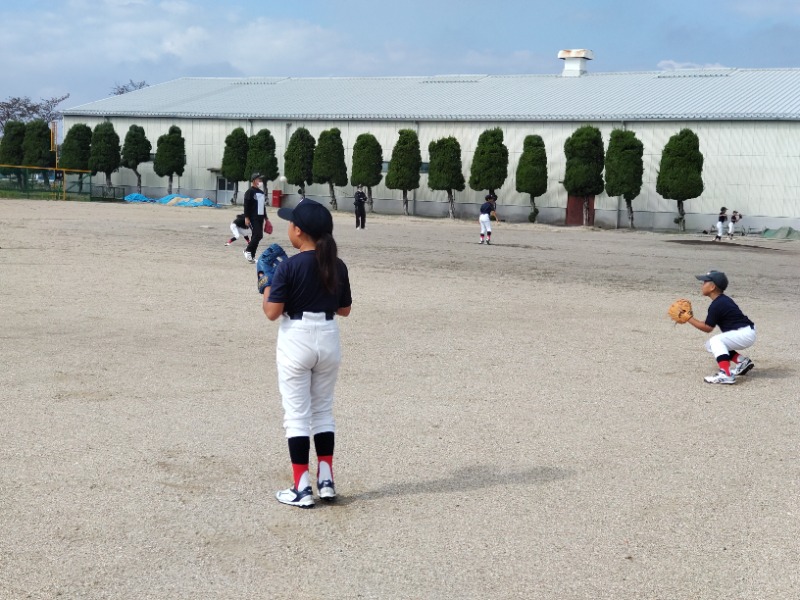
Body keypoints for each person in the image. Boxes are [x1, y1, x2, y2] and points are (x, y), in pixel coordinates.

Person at [262, 199, 352, 508]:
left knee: (297, 417)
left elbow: (272, 312)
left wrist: (266, 284)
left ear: (298, 232)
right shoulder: (336, 264)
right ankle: (325, 481)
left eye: (291, 224)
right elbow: (345, 309)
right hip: (328, 337)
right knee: (323, 412)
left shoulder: (289, 266)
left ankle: (301, 487)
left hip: (296, 338)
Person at [684, 270, 756, 384]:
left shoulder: (718, 304)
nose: (702, 285)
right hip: (746, 332)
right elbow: (708, 324)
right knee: (710, 345)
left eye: (705, 282)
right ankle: (742, 362)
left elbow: (707, 328)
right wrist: (689, 318)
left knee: (715, 341)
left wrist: (688, 318)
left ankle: (726, 373)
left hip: (744, 334)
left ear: (712, 286)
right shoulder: (721, 301)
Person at [242, 173, 271, 263]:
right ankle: (247, 250)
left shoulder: (261, 193)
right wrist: (246, 217)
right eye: (259, 180)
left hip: (260, 218)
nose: (261, 181)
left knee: (257, 235)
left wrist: (266, 218)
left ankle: (252, 256)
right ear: (254, 180)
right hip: (252, 217)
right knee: (258, 234)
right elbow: (246, 205)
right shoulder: (249, 191)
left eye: (261, 180)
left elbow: (263, 206)